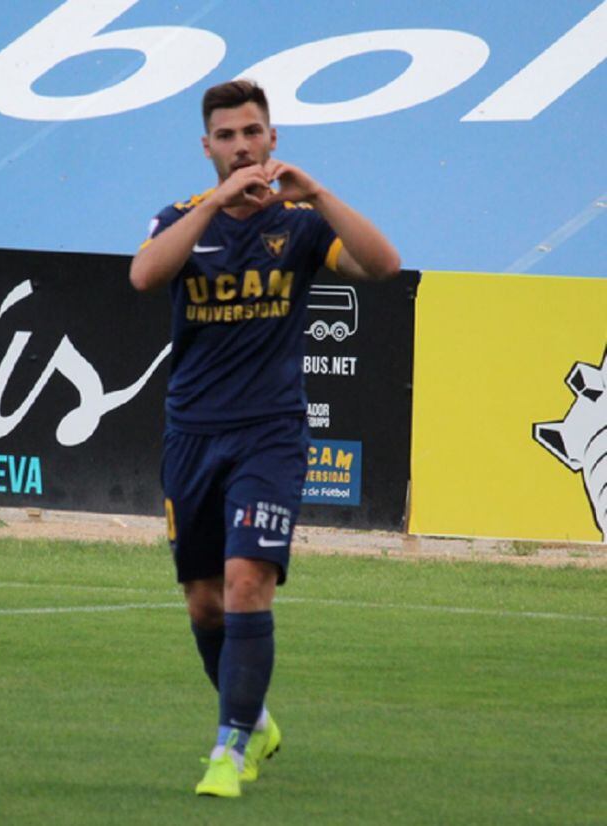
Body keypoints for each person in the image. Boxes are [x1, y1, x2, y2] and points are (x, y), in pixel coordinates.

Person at [129, 79, 400, 798]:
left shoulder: (303, 225)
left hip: (271, 435)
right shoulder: (182, 218)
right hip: (191, 434)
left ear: (272, 138)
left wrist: (319, 192)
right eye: (227, 135)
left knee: (249, 581)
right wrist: (214, 204)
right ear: (208, 147)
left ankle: (230, 748)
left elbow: (384, 265)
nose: (242, 146)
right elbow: (144, 275)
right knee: (204, 601)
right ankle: (255, 719)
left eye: (253, 132)